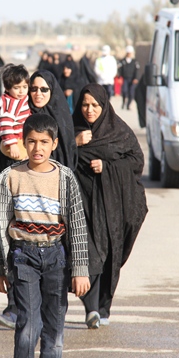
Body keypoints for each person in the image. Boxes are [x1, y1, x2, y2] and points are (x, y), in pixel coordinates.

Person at [0, 113, 90, 358]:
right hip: (23, 257)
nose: (38, 148)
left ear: (54, 144)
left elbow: (77, 225)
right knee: (28, 324)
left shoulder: (65, 178)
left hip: (56, 257)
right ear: (24, 142)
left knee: (54, 327)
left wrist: (80, 270)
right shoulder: (9, 177)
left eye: (44, 142)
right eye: (32, 141)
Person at [0, 70, 78, 330]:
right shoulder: (20, 114)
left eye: (43, 89)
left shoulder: (60, 117)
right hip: (20, 199)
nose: (37, 93)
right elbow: (2, 149)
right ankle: (15, 309)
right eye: (34, 89)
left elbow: (69, 156)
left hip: (53, 207)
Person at [72, 83, 148, 329]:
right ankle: (92, 308)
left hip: (111, 204)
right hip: (80, 202)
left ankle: (102, 307)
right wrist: (74, 142)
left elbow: (137, 161)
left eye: (95, 105)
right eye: (85, 105)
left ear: (104, 106)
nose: (89, 110)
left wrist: (107, 167)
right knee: (88, 252)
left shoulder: (118, 131)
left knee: (109, 255)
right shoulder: (72, 129)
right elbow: (55, 155)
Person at [0, 63, 31, 161]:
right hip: (15, 140)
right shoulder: (10, 103)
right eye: (16, 88)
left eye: (24, 87)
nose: (21, 91)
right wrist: (12, 144)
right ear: (7, 88)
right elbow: (5, 124)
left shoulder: (20, 98)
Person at [119, 45, 140, 110]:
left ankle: (128, 105)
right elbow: (119, 70)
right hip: (125, 79)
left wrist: (136, 78)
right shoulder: (123, 61)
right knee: (124, 91)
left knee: (131, 93)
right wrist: (119, 77)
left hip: (132, 79)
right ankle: (123, 102)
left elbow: (137, 70)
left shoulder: (134, 61)